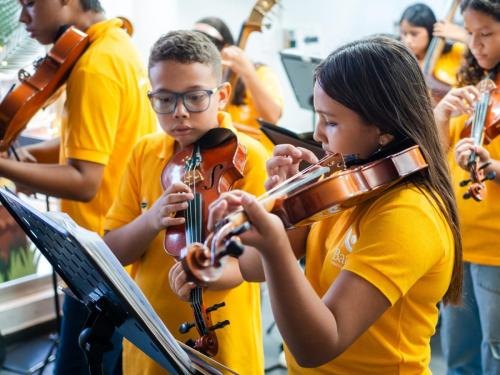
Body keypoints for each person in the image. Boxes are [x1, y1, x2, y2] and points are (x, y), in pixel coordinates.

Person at [196, 36, 463, 374]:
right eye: (317, 115)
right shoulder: (348, 182)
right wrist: (283, 205)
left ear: (383, 127)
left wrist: (276, 243)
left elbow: (318, 345)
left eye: (331, 121)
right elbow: (254, 268)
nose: (317, 134)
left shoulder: (409, 213)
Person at [1, 0, 156, 373]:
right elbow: (94, 147)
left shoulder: (94, 66)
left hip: (97, 254)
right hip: (124, 244)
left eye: (30, 4)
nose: (23, 18)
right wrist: (27, 163)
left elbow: (86, 181)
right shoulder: (118, 43)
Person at [103, 30, 268, 374]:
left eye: (194, 98)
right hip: (151, 344)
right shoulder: (144, 153)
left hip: (224, 347)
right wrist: (152, 219)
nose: (179, 112)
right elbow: (114, 250)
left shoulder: (249, 157)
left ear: (222, 95)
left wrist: (207, 272)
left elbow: (254, 264)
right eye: (164, 99)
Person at [434, 0, 500, 373]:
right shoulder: (474, 88)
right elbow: (437, 154)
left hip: (496, 247)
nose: (475, 44)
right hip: (459, 239)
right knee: (457, 352)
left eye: (486, 33)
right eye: (470, 33)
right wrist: (442, 114)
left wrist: (492, 167)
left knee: (496, 350)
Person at [193, 17, 284, 153]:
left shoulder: (261, 72)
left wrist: (248, 73)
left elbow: (272, 116)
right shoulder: (204, 79)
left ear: (227, 48)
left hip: (258, 154)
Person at [400, 3, 467, 87]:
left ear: (430, 31)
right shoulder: (401, 61)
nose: (407, 40)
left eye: (414, 34)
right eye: (404, 33)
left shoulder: (456, 51)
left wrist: (465, 36)